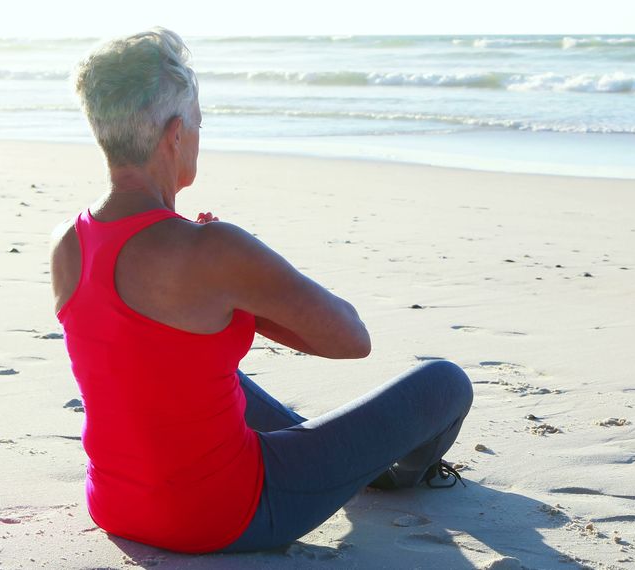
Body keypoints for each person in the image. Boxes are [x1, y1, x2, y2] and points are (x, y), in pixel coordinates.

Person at [49, 28, 473, 554]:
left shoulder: (68, 241)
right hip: (226, 514)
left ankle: (332, 454)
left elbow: (143, 333)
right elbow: (351, 338)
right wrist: (243, 270)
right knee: (445, 382)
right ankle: (386, 475)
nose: (200, 136)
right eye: (200, 124)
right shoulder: (214, 249)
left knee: (179, 367)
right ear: (176, 134)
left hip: (115, 506)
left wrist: (232, 288)